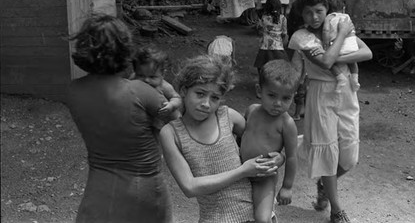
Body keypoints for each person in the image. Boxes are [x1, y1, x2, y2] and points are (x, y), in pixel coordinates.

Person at [68, 14, 173, 223]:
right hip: (144, 188)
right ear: (125, 51)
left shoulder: (72, 92)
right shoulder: (141, 91)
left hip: (99, 187)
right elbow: (179, 126)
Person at [159, 55, 284, 223]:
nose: (206, 103)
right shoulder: (171, 133)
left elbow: (261, 145)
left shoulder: (227, 117)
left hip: (255, 215)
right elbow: (190, 186)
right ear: (183, 90)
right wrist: (242, 171)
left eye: (214, 98)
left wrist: (279, 157)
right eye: (200, 94)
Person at [288, 0, 373, 223]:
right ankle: (336, 210)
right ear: (301, 15)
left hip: (346, 93)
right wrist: (343, 37)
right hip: (320, 94)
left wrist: (338, 46)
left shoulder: (338, 26)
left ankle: (325, 185)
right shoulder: (301, 36)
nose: (314, 17)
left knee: (349, 157)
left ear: (327, 9)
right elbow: (325, 63)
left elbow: (367, 53)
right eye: (307, 12)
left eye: (318, 10)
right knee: (326, 152)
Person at [240, 59, 300, 223]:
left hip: (264, 177)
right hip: (240, 171)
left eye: (286, 98)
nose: (278, 104)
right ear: (259, 90)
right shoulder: (251, 110)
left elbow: (292, 156)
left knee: (262, 218)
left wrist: (287, 187)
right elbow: (242, 137)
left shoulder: (286, 123)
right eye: (272, 95)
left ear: (293, 97)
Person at [131, 45, 182, 132]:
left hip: (158, 122)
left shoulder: (164, 87)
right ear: (135, 72)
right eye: (141, 75)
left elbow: (176, 98)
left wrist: (171, 105)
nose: (146, 80)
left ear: (163, 74)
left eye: (152, 77)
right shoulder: (133, 79)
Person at [322, 0, 360, 93]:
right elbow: (352, 29)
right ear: (343, 7)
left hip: (338, 46)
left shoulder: (329, 17)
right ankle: (355, 79)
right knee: (353, 63)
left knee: (331, 62)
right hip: (352, 45)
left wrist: (325, 42)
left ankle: (340, 78)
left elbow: (326, 30)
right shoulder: (346, 16)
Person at [254, 0, 289, 72]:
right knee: (279, 70)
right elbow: (284, 34)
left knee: (262, 68)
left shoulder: (263, 18)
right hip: (278, 48)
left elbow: (260, 31)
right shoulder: (283, 18)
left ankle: (262, 82)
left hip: (264, 47)